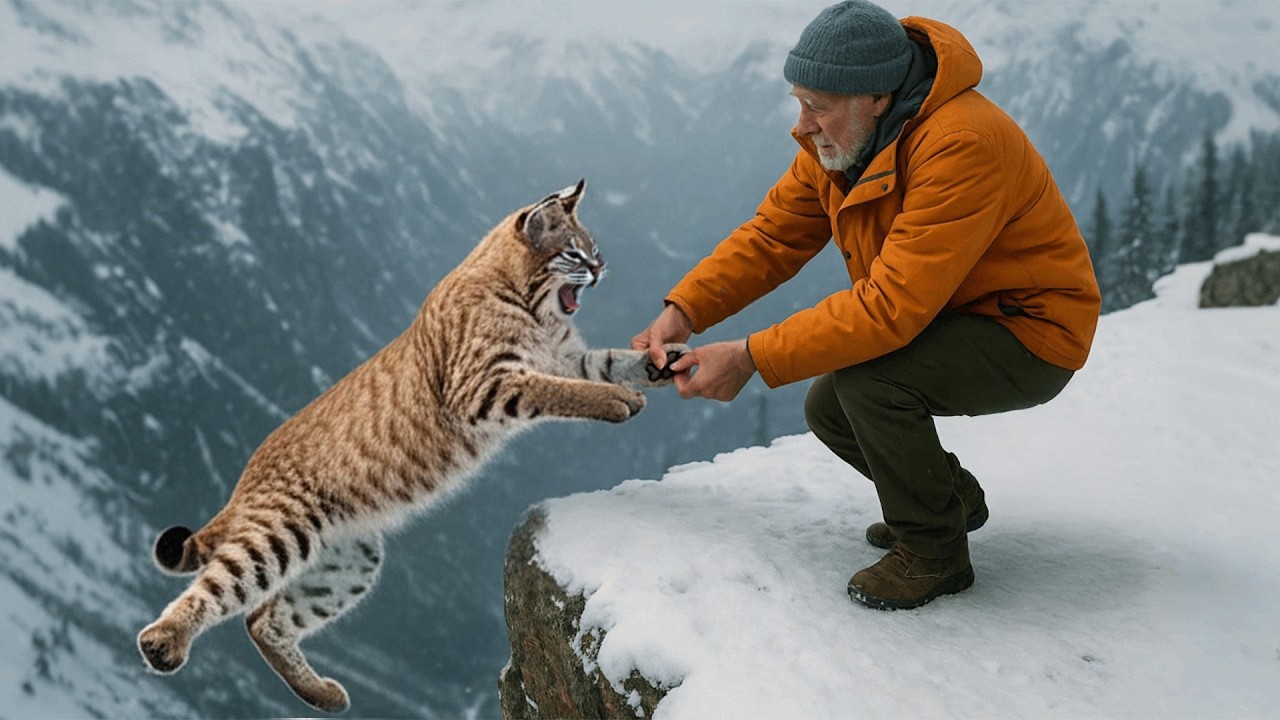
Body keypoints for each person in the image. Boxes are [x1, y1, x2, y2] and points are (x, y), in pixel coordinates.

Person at [633, 0, 1101, 610]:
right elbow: (773, 236)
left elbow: (890, 309)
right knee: (830, 406)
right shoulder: (845, 143)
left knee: (870, 385)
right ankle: (948, 502)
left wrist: (749, 357)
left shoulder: (962, 145)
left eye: (817, 106)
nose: (802, 125)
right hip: (956, 310)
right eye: (799, 102)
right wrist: (684, 311)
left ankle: (934, 553)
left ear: (877, 97)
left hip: (1030, 331)